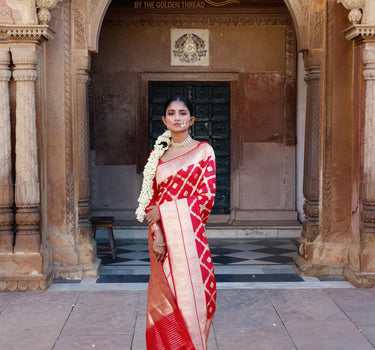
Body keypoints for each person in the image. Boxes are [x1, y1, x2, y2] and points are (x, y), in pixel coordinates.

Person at [135, 95, 217, 350]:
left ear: (191, 120)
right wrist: (158, 234)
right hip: (163, 239)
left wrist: (165, 211)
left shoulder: (204, 151)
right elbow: (151, 201)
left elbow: (206, 197)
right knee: (166, 297)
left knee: (197, 300)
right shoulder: (157, 155)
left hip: (191, 241)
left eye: (182, 113)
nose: (177, 118)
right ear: (164, 119)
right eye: (171, 113)